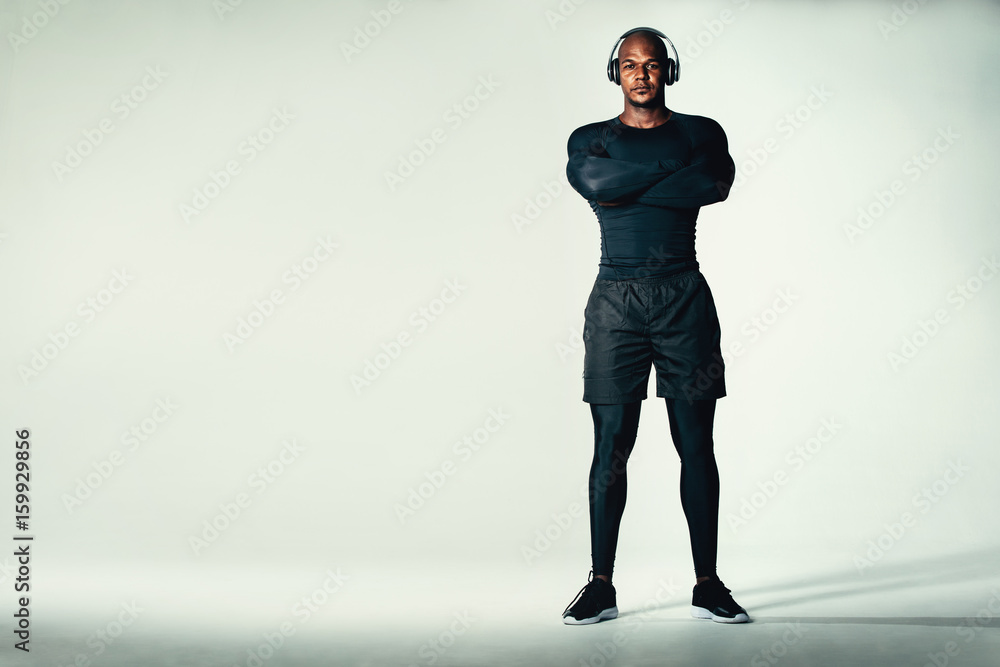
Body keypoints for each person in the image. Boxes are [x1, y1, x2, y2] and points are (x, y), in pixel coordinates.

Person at [560, 27, 748, 625]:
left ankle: (707, 582)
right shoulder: (591, 139)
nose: (642, 73)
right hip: (615, 299)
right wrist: (671, 177)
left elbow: (714, 184)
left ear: (670, 70)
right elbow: (594, 184)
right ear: (615, 72)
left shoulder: (701, 132)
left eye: (653, 64)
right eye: (630, 65)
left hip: (683, 297)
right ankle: (600, 584)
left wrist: (632, 183)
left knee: (696, 444)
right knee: (611, 444)